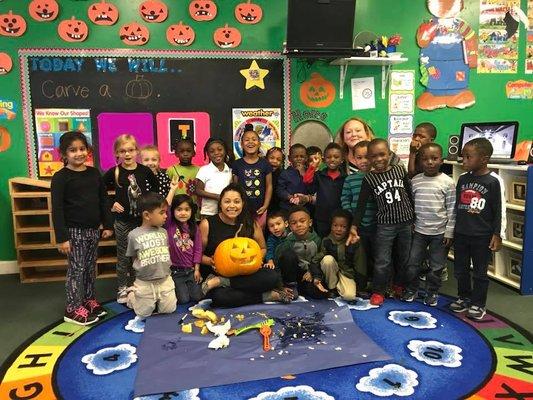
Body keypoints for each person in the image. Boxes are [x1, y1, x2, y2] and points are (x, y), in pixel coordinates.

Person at [51, 131, 114, 325]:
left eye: (82, 149)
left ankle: (88, 300)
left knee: (88, 268)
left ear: (88, 151)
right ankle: (72, 308)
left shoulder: (94, 173)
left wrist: (108, 224)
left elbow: (103, 200)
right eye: (72, 150)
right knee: (76, 269)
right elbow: (57, 208)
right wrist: (62, 237)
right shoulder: (61, 177)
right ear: (63, 154)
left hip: (93, 230)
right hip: (73, 232)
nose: (78, 153)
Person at [198, 183, 290, 307]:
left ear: (243, 203)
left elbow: (262, 248)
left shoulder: (251, 223)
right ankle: (268, 296)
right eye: (227, 201)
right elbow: (198, 255)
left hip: (248, 273)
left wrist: (257, 259)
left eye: (236, 202)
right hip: (219, 272)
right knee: (220, 297)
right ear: (220, 204)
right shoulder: (207, 224)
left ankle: (223, 282)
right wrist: (211, 261)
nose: (232, 206)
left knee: (272, 277)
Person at [348, 138, 414, 306]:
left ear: (389, 154)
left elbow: (408, 192)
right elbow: (361, 205)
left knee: (404, 257)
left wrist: (414, 217)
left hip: (406, 223)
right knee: (382, 260)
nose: (378, 159)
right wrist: (354, 226)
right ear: (369, 158)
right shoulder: (369, 179)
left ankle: (399, 284)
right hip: (385, 225)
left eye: (382, 154)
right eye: (373, 156)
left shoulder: (399, 170)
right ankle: (378, 291)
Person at [449, 138, 505, 320]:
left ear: (483, 159)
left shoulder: (494, 181)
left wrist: (498, 234)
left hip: (482, 236)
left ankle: (478, 303)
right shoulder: (463, 179)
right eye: (462, 156)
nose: (463, 160)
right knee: (460, 270)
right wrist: (451, 230)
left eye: (468, 157)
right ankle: (464, 297)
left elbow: (499, 210)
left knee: (480, 272)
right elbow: (456, 207)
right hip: (462, 233)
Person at [103, 134, 159, 304]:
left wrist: (149, 207)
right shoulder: (114, 172)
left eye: (130, 150)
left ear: (137, 151)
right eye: (122, 151)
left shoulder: (144, 171)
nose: (127, 154)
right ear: (116, 154)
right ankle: (122, 288)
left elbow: (155, 190)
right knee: (123, 257)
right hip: (122, 222)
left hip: (141, 222)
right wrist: (112, 203)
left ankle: (137, 285)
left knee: (140, 255)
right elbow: (101, 191)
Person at [401, 143, 455, 306]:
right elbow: (411, 205)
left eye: (434, 158)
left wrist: (449, 232)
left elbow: (452, 208)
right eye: (425, 159)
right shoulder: (415, 181)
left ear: (442, 160)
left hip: (440, 233)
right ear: (420, 162)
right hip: (419, 232)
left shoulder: (448, 182)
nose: (430, 162)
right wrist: (411, 224)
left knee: (436, 267)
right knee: (412, 264)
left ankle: (432, 292)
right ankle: (412, 289)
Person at [125, 192, 177, 319]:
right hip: (144, 283)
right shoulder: (133, 235)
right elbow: (133, 257)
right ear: (147, 215)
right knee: (143, 314)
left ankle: (156, 300)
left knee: (170, 310)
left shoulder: (164, 232)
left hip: (165, 280)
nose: (166, 216)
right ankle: (132, 295)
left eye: (166, 212)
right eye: (162, 213)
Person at [341, 140, 376, 288]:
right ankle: (361, 283)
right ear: (354, 159)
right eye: (359, 158)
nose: (364, 161)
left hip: (376, 225)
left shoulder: (378, 177)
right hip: (357, 225)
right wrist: (353, 218)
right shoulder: (350, 179)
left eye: (367, 157)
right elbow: (345, 199)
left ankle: (376, 284)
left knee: (377, 256)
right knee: (360, 256)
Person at [311, 209, 366, 300]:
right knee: (327, 260)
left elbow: (360, 265)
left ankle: (342, 287)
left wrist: (361, 286)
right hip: (331, 273)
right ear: (331, 226)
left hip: (347, 274)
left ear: (349, 228)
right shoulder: (326, 240)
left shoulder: (354, 242)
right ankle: (332, 289)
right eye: (335, 225)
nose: (339, 229)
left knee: (349, 296)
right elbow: (317, 259)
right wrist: (314, 273)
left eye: (343, 226)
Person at [275, 206, 329, 299]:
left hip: (309, 275)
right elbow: (278, 264)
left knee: (320, 294)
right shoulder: (286, 243)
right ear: (290, 226)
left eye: (302, 221)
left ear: (310, 222)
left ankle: (304, 289)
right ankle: (291, 286)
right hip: (292, 275)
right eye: (294, 223)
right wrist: (280, 285)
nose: (299, 225)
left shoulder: (317, 240)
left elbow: (319, 260)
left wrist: (311, 272)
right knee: (288, 255)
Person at [165, 183, 203, 304]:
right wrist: (172, 189)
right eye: (179, 209)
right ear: (173, 211)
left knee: (197, 298)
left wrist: (197, 269)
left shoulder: (195, 228)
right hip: (176, 272)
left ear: (192, 211)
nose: (183, 213)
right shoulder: (170, 225)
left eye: (187, 210)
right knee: (183, 300)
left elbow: (198, 249)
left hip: (191, 270)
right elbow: (166, 207)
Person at [232, 124, 273, 228]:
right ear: (241, 144)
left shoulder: (265, 164)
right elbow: (235, 187)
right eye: (246, 140)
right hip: (242, 209)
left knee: (259, 236)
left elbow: (269, 186)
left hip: (260, 209)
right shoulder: (237, 164)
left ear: (259, 143)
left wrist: (266, 205)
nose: (250, 142)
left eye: (254, 139)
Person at [306, 143, 346, 237]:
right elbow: (308, 184)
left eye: (336, 157)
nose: (332, 159)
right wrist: (313, 167)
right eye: (329, 157)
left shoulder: (345, 178)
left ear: (342, 160)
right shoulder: (319, 175)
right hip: (321, 218)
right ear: (324, 159)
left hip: (339, 219)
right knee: (322, 242)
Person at [195, 138, 233, 218]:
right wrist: (217, 196)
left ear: (225, 151)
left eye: (220, 149)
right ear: (207, 154)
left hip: (227, 212)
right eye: (212, 151)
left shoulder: (230, 171)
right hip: (209, 213)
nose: (216, 153)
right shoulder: (204, 170)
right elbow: (198, 191)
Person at [166, 137, 200, 210]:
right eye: (182, 151)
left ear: (194, 153)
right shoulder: (171, 170)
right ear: (176, 154)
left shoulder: (199, 170)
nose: (185, 154)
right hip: (177, 208)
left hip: (194, 208)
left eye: (188, 151)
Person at [277, 144, 311, 211]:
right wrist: (290, 197)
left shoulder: (310, 173)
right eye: (295, 157)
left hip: (305, 208)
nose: (299, 159)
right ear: (289, 158)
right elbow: (280, 190)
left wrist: (303, 174)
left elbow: (312, 189)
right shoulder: (285, 173)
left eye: (302, 156)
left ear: (306, 158)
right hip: (287, 208)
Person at [266, 146, 284, 214]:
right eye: (271, 158)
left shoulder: (282, 175)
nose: (275, 161)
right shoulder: (262, 173)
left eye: (278, 159)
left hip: (277, 207)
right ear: (266, 159)